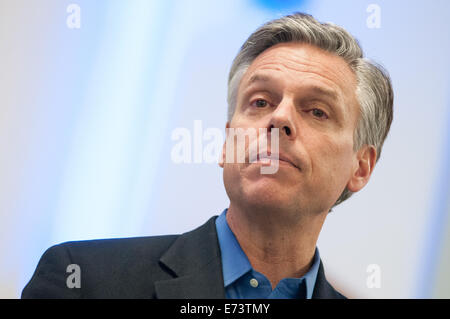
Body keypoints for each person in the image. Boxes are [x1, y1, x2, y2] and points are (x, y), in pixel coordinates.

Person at [22, 12, 393, 299]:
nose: (280, 117)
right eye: (261, 101)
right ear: (226, 142)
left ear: (360, 168)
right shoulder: (82, 279)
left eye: (317, 111)